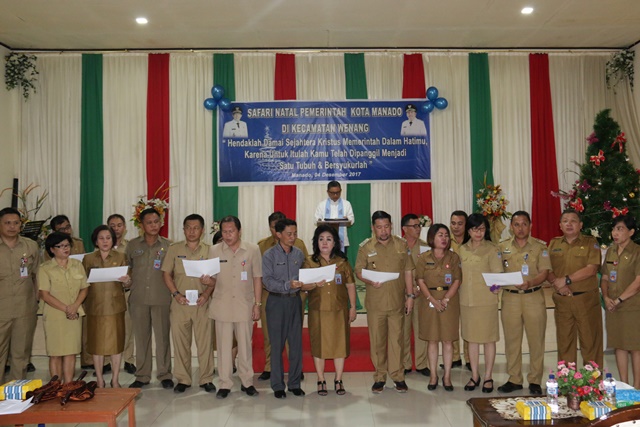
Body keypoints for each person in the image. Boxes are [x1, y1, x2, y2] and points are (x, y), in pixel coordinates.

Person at [355, 210, 415, 394]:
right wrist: (369, 280)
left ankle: (397, 376)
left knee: (397, 340)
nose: (383, 231)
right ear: (373, 228)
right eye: (379, 227)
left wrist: (410, 296)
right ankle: (380, 376)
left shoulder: (401, 245)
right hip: (376, 303)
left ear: (391, 226)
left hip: (397, 301)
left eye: (387, 226)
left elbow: (408, 271)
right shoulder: (365, 247)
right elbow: (358, 270)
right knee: (378, 341)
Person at [207, 216, 262, 398]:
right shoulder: (214, 250)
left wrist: (257, 304)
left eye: (231, 231)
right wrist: (207, 280)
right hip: (222, 304)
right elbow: (212, 277)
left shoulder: (252, 249)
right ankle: (224, 383)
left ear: (239, 231)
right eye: (224, 231)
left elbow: (257, 278)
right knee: (223, 347)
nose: (228, 235)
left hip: (244, 304)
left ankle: (247, 382)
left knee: (245, 346)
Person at [496, 211, 550, 395]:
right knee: (512, 341)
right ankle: (514, 379)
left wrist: (531, 283)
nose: (520, 228)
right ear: (511, 227)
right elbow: (496, 271)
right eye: (516, 224)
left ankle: (535, 380)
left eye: (524, 224)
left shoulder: (540, 247)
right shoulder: (502, 247)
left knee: (536, 340)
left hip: (533, 296)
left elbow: (544, 273)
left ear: (530, 225)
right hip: (510, 297)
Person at [162, 214, 216, 394]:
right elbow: (166, 274)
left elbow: (215, 279)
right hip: (180, 302)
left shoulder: (210, 250)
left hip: (202, 302)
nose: (192, 231)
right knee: (180, 343)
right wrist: (176, 294)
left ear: (202, 230)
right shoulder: (174, 249)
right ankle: (183, 379)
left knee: (205, 343)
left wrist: (207, 294)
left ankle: (206, 378)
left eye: (196, 228)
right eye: (188, 227)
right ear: (183, 229)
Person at [303, 225, 357, 396]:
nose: (324, 243)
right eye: (321, 239)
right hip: (318, 310)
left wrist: (353, 307)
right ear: (316, 242)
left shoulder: (342, 262)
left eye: (328, 239)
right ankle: (320, 379)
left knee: (339, 344)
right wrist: (313, 284)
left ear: (335, 243)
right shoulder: (310, 261)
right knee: (318, 344)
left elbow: (350, 285)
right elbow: (303, 285)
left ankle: (338, 379)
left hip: (339, 310)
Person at [257, 211, 309, 381]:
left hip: (295, 298)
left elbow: (306, 269)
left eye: (294, 233)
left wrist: (311, 283)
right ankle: (271, 370)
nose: (292, 237)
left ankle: (295, 375)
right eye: (288, 234)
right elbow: (264, 277)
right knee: (271, 337)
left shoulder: (299, 249)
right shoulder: (265, 249)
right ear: (276, 231)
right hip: (272, 297)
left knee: (294, 339)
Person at [547, 209, 602, 367]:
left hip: (586, 300)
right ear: (560, 225)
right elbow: (547, 270)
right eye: (565, 221)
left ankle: (592, 385)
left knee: (590, 343)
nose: (569, 224)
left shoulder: (591, 243)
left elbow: (592, 269)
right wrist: (559, 286)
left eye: (573, 221)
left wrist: (566, 280)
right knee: (565, 344)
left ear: (580, 225)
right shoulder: (554, 244)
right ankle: (568, 383)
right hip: (563, 300)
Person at [126, 208, 174, 389]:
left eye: (156, 221)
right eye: (149, 222)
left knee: (162, 338)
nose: (153, 225)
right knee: (141, 338)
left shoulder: (169, 246)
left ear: (161, 222)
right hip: (138, 299)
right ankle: (142, 375)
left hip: (161, 298)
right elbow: (127, 269)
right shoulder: (132, 246)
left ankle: (165, 374)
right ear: (141, 225)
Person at [458, 213, 503, 393]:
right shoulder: (462, 249)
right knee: (472, 340)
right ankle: (475, 375)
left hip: (486, 301)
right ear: (469, 230)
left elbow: (497, 274)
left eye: (482, 229)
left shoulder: (493, 249)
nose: (478, 233)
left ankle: (488, 376)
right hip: (466, 302)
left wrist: (496, 285)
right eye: (475, 229)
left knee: (488, 339)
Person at [38, 232, 89, 383]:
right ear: (52, 249)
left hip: (74, 314)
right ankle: (55, 387)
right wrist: (67, 308)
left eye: (67, 245)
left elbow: (85, 288)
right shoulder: (45, 268)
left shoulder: (77, 265)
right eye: (60, 246)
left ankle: (69, 386)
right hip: (55, 315)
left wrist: (75, 306)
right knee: (55, 353)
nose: (65, 249)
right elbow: (45, 294)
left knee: (71, 352)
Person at [82, 225, 129, 388]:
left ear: (113, 239)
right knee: (97, 345)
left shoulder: (121, 257)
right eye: (101, 238)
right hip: (94, 307)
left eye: (108, 238)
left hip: (115, 307)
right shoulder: (88, 259)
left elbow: (129, 283)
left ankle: (115, 379)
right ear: (96, 240)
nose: (105, 241)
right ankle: (100, 379)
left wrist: (127, 280)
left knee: (116, 344)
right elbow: (82, 283)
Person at [415, 224, 461, 391]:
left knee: (448, 340)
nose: (444, 238)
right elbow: (419, 279)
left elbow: (457, 280)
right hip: (429, 302)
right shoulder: (423, 257)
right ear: (432, 238)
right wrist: (432, 299)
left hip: (449, 301)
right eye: (440, 235)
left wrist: (446, 299)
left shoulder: (454, 257)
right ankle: (433, 375)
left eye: (446, 235)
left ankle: (447, 376)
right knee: (432, 339)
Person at [48, 214, 93, 370]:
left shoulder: (78, 243)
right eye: (61, 229)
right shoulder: (50, 247)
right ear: (53, 231)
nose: (66, 231)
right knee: (59, 341)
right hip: (58, 295)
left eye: (68, 227)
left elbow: (86, 264)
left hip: (78, 290)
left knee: (83, 330)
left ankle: (87, 360)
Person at [0, 207, 39, 383]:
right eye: (7, 223)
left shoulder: (30, 246)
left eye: (16, 223)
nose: (12, 227)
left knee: (21, 355)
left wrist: (37, 300)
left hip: (25, 309)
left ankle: (16, 396)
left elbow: (37, 275)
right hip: (1, 310)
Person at [601, 215, 640, 389]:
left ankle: (637, 388)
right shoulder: (610, 251)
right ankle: (624, 386)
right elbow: (605, 277)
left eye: (620, 229)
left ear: (631, 232)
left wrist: (618, 299)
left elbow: (638, 282)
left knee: (635, 347)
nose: (615, 233)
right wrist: (606, 297)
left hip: (632, 306)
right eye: (614, 229)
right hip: (613, 307)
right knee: (619, 345)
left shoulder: (637, 252)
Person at [400, 213, 430, 377]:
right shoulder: (398, 246)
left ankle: (421, 363)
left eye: (419, 226)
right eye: (414, 226)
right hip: (402, 295)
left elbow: (428, 270)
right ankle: (405, 363)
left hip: (420, 294)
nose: (418, 229)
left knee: (421, 329)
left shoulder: (425, 247)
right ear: (404, 229)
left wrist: (419, 287)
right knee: (403, 330)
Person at [108, 213, 136, 375]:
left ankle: (128, 359)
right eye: (112, 225)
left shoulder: (130, 246)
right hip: (106, 295)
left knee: (128, 327)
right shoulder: (101, 246)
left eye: (119, 225)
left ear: (125, 228)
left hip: (125, 292)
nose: (116, 229)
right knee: (108, 327)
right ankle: (106, 360)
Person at [448, 210, 468, 370]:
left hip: (469, 288)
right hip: (451, 288)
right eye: (453, 223)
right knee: (452, 323)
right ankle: (455, 357)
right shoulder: (446, 241)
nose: (456, 227)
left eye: (460, 223)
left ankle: (469, 358)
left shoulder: (472, 241)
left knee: (468, 324)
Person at [314, 181, 354, 252]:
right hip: (325, 242)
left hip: (342, 240)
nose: (335, 195)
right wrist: (320, 220)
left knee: (341, 262)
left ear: (341, 191)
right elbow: (316, 220)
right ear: (328, 192)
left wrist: (347, 219)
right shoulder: (322, 205)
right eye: (333, 193)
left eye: (338, 192)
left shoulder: (346, 204)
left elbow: (352, 220)